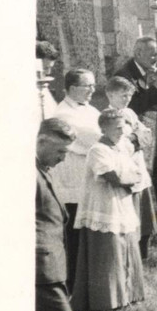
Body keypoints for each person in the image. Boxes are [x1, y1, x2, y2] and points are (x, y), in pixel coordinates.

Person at [35, 118, 128, 311]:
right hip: (38, 273)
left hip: (49, 268)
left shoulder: (40, 169)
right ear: (42, 141)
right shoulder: (25, 173)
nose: (64, 158)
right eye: (60, 151)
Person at [69, 109, 145, 311]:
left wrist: (131, 177)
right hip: (105, 207)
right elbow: (114, 177)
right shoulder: (97, 150)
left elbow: (137, 172)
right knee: (108, 254)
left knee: (126, 247)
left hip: (122, 204)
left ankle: (127, 297)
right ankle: (104, 305)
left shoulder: (121, 147)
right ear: (103, 128)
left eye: (124, 127)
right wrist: (130, 178)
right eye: (117, 128)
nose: (122, 131)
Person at [51, 68, 102, 291]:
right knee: (74, 235)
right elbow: (96, 138)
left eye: (93, 85)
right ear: (72, 89)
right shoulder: (64, 115)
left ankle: (87, 279)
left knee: (87, 233)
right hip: (73, 183)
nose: (93, 89)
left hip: (88, 179)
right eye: (87, 86)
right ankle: (73, 284)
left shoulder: (89, 109)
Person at [114, 36, 157, 215]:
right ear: (138, 53)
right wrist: (156, 87)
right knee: (140, 171)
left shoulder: (154, 70)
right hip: (136, 131)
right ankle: (140, 214)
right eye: (154, 55)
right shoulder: (124, 75)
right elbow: (132, 106)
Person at [104, 76, 157, 260]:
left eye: (129, 95)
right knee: (130, 217)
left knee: (145, 218)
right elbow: (119, 144)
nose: (126, 99)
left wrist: (135, 138)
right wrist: (136, 138)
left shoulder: (130, 114)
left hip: (139, 167)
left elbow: (148, 135)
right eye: (122, 95)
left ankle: (144, 254)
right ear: (110, 94)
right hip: (125, 170)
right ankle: (130, 255)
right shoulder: (107, 117)